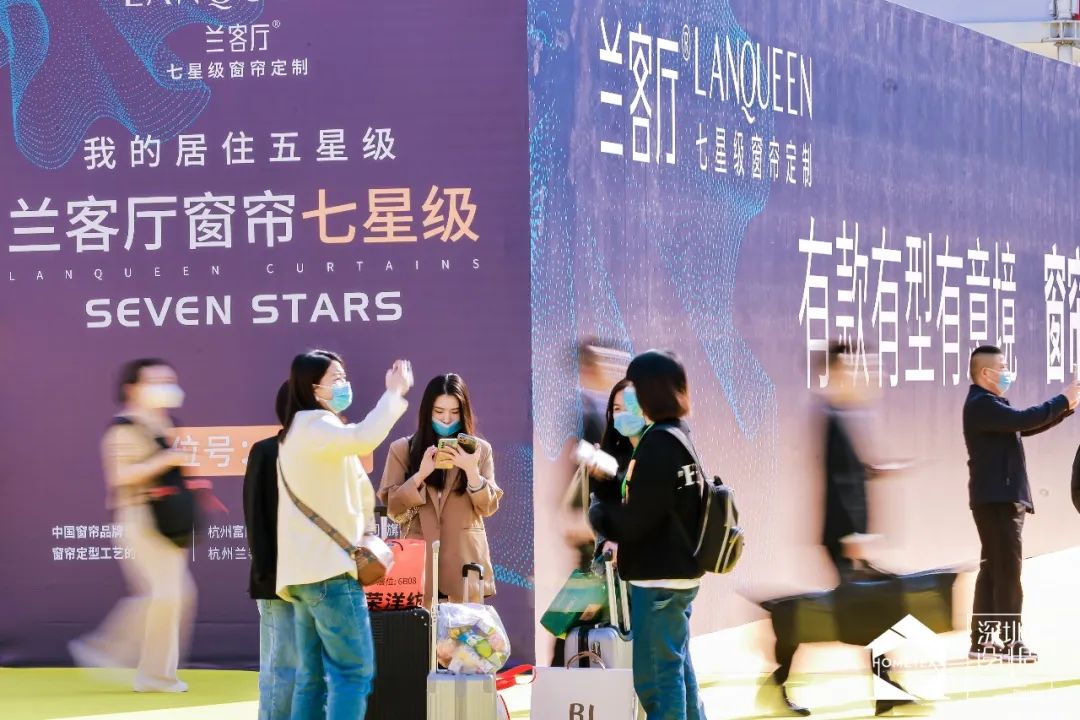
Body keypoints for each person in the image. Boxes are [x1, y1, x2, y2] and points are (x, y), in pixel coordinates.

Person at [276, 350, 413, 719]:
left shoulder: (300, 430)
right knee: (352, 673)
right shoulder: (316, 425)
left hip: (305, 575)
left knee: (312, 678)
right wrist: (394, 392)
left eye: (343, 376)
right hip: (330, 574)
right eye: (335, 378)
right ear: (313, 388)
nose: (343, 384)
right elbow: (364, 438)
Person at [589, 350, 707, 720]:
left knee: (657, 681)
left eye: (636, 388)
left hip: (657, 580)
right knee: (677, 671)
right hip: (678, 576)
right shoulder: (678, 435)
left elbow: (638, 520)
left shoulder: (657, 444)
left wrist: (600, 516)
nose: (631, 398)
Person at [69, 358, 196, 693]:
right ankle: (106, 649)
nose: (166, 387)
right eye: (155, 381)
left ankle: (157, 674)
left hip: (169, 520)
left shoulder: (164, 424)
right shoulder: (123, 428)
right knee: (165, 595)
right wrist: (166, 460)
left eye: (168, 379)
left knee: (176, 596)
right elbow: (119, 477)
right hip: (140, 519)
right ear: (132, 388)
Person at [964, 345, 1079, 663]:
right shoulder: (982, 405)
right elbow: (1025, 419)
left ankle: (982, 641)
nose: (1006, 372)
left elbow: (1025, 426)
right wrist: (1063, 400)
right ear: (985, 372)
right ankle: (1011, 642)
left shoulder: (988, 405)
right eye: (1002, 367)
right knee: (1007, 572)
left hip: (995, 499)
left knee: (993, 569)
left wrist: (1065, 407)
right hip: (998, 500)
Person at [378, 373, 501, 603]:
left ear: (463, 413)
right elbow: (393, 508)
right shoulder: (403, 449)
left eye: (454, 412)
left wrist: (471, 471)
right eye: (439, 411)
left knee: (463, 626)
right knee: (423, 625)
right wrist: (420, 475)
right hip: (420, 564)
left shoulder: (480, 450)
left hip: (464, 563)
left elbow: (488, 507)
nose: (446, 419)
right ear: (428, 412)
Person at [244, 382, 322, 720]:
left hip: (326, 583)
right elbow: (256, 518)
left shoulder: (332, 455)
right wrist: (269, 578)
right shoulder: (266, 452)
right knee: (282, 669)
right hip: (280, 583)